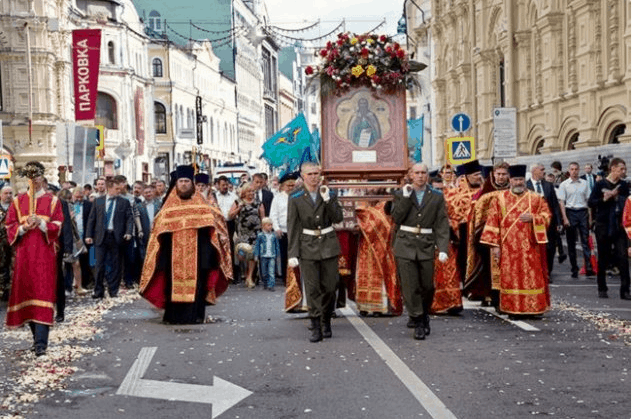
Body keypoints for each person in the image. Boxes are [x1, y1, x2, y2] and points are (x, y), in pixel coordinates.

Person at [139, 166, 232, 324]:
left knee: (198, 287)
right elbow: (158, 230)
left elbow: (215, 224)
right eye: (181, 181)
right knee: (171, 285)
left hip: (198, 256)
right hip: (172, 256)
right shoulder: (168, 208)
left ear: (192, 184)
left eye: (186, 181)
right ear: (176, 184)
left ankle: (195, 316)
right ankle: (173, 317)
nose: (183, 184)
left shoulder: (203, 206)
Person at [5, 162, 64, 356]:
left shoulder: (53, 200)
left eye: (37, 176)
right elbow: (9, 225)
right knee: (26, 293)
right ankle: (35, 339)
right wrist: (23, 228)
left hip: (44, 255)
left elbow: (58, 225)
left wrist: (41, 224)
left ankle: (41, 344)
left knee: (43, 292)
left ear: (42, 178)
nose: (34, 181)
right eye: (31, 177)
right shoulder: (18, 201)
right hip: (24, 256)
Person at [480, 164, 551, 315]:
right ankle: (512, 307)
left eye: (520, 179)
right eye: (515, 179)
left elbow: (547, 216)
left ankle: (534, 308)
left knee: (532, 277)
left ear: (524, 180)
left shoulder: (536, 198)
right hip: (508, 248)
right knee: (511, 278)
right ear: (510, 180)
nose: (518, 183)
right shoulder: (499, 199)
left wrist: (534, 218)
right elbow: (492, 221)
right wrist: (494, 246)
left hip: (530, 247)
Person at [391, 163, 449, 340]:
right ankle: (417, 320)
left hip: (426, 244)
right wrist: (406, 197)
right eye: (417, 173)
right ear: (410, 175)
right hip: (405, 244)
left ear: (428, 176)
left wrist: (443, 248)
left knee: (427, 286)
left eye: (423, 172)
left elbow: (441, 223)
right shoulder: (401, 194)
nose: (420, 176)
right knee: (410, 286)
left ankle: (423, 314)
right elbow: (397, 217)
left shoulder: (437, 196)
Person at [287, 162, 344, 342]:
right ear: (303, 176)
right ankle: (316, 324)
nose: (314, 177)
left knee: (329, 287)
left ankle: (326, 317)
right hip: (307, 246)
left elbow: (338, 218)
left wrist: (328, 200)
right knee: (312, 288)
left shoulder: (328, 193)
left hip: (328, 244)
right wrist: (292, 253)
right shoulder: (295, 197)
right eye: (310, 174)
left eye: (316, 174)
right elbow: (293, 225)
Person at [465, 162, 511, 307]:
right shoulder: (486, 192)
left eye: (504, 174)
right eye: (499, 174)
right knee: (487, 267)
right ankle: (488, 294)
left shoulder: (514, 191)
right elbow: (477, 215)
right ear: (493, 174)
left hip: (509, 236)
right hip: (487, 235)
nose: (501, 177)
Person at [588, 158, 630, 300]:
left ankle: (625, 290)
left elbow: (627, 201)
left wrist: (618, 197)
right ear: (613, 168)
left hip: (618, 224)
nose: (623, 172)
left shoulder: (623, 185)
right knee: (603, 256)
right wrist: (604, 199)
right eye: (621, 169)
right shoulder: (600, 184)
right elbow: (591, 202)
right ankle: (602, 287)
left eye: (624, 169)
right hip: (603, 224)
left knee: (623, 257)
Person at [85, 179, 133, 299]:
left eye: (119, 189)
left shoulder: (124, 202)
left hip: (116, 237)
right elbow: (92, 219)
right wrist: (88, 235)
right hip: (101, 236)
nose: (119, 191)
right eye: (116, 189)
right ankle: (98, 290)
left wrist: (128, 232)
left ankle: (113, 290)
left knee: (116, 264)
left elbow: (129, 218)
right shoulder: (98, 201)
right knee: (99, 264)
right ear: (109, 188)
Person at [558, 162, 594, 278]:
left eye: (576, 169)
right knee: (571, 242)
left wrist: (590, 217)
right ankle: (574, 267)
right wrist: (565, 218)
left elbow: (589, 201)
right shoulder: (564, 184)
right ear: (569, 170)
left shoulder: (584, 183)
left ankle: (588, 266)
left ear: (579, 170)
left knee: (585, 240)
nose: (574, 171)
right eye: (572, 169)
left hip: (582, 212)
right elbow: (562, 203)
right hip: (570, 212)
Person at [527, 163, 563, 278]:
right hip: (532, 223)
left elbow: (555, 205)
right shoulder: (525, 186)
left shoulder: (548, 185)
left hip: (548, 223)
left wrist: (558, 221)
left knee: (550, 248)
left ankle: (547, 272)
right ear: (534, 171)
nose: (544, 172)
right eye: (542, 170)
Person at [229, 183, 263, 287]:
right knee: (241, 255)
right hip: (243, 232)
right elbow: (230, 216)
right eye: (249, 191)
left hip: (254, 232)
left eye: (252, 191)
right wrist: (239, 208)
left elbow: (263, 217)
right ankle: (245, 273)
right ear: (244, 192)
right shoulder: (238, 202)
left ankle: (249, 277)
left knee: (252, 255)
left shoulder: (258, 203)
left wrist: (263, 231)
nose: (251, 193)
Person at [269, 172, 298, 285]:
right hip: (283, 230)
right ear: (283, 186)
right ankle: (286, 278)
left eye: (292, 185)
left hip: (296, 230)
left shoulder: (298, 196)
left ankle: (296, 276)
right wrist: (276, 228)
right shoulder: (278, 198)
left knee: (295, 254)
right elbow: (273, 214)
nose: (291, 188)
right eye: (288, 186)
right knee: (284, 254)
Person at [71, 187, 92, 291]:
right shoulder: (70, 205)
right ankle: (73, 283)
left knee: (84, 260)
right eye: (77, 197)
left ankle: (84, 283)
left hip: (84, 236)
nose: (79, 199)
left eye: (81, 196)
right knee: (73, 261)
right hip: (73, 236)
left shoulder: (88, 205)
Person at [253, 218, 281, 291]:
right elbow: (257, 246)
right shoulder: (260, 235)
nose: (270, 227)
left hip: (272, 255)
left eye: (271, 225)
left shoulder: (273, 236)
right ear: (263, 226)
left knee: (271, 271)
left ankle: (271, 285)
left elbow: (276, 245)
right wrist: (256, 255)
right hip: (263, 255)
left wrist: (277, 253)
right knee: (264, 272)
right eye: (268, 225)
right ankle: (265, 283)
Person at [0, 185, 14, 301]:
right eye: (6, 193)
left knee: (13, 266)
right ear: (1, 195)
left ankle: (10, 290)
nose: (8, 196)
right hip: (0, 242)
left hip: (12, 241)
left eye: (10, 193)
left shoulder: (15, 207)